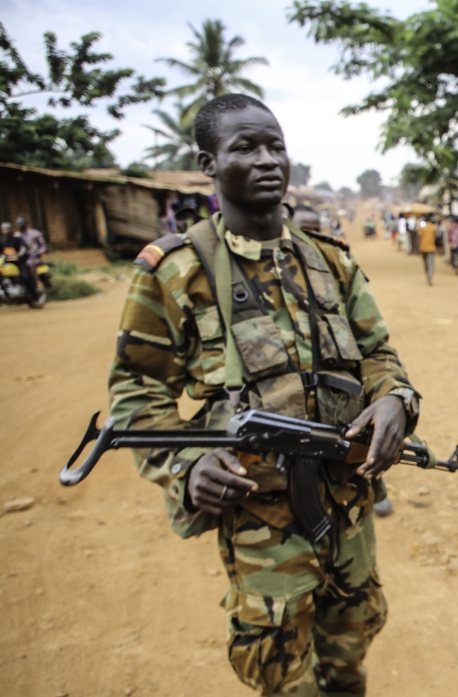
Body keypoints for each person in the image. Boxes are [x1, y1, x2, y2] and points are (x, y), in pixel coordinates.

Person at [109, 94, 422, 696]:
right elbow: (135, 391)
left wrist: (392, 400)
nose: (266, 159)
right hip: (260, 519)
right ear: (209, 163)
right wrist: (187, 462)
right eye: (244, 147)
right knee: (283, 674)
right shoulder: (176, 271)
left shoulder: (330, 261)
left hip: (349, 508)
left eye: (275, 145)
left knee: (349, 662)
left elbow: (378, 354)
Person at [1, 220, 38, 302]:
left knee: (25, 277)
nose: (5, 231)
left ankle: (35, 296)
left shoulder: (17, 239)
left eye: (7, 229)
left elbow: (24, 247)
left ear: (11, 229)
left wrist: (20, 254)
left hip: (20, 262)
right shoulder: (2, 241)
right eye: (3, 229)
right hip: (9, 263)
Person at [417, 215, 438, 286]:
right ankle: (430, 278)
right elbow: (436, 235)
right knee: (431, 263)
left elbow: (419, 236)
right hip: (431, 247)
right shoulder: (433, 227)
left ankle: (427, 276)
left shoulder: (422, 227)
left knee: (425, 263)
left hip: (423, 248)